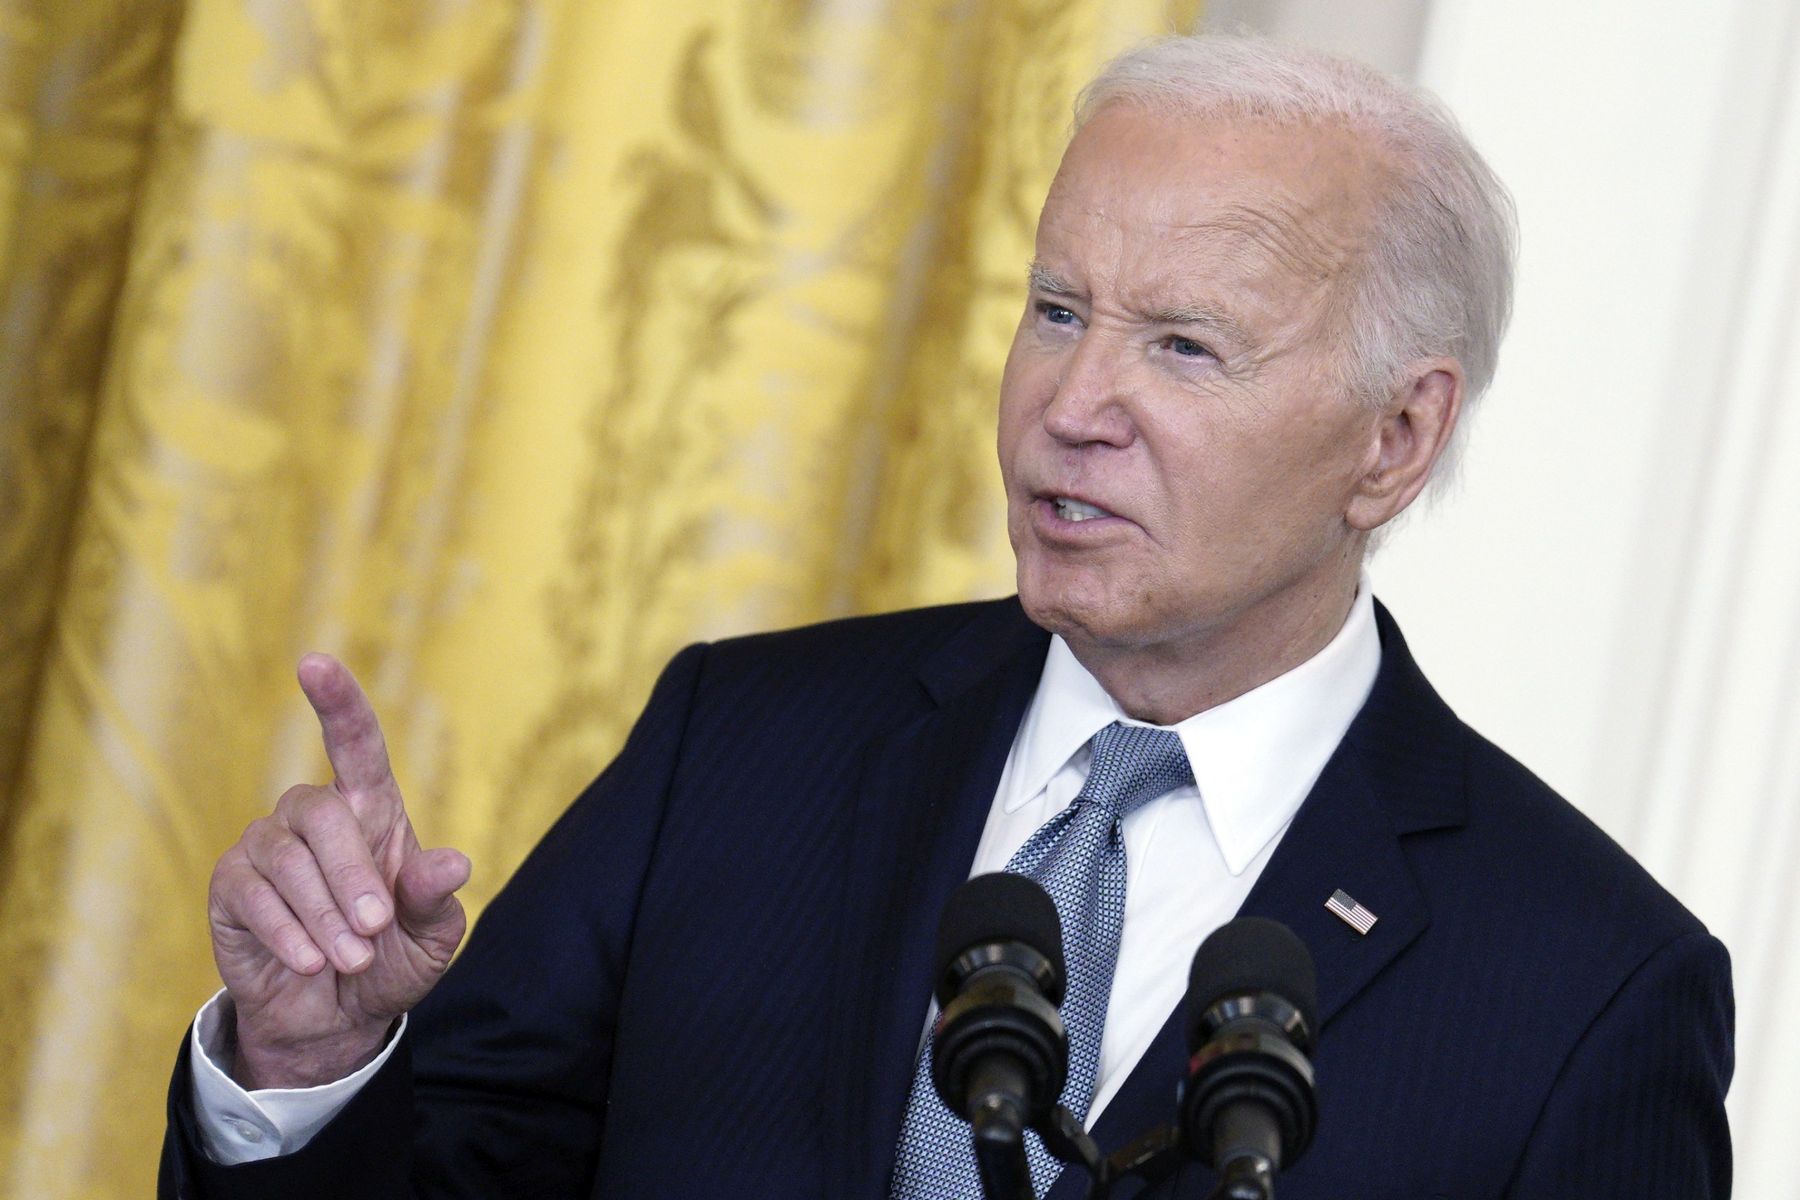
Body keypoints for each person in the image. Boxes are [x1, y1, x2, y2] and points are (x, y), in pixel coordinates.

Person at [159, 34, 1733, 1200]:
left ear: (1395, 440)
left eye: (1184, 348)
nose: (1072, 402)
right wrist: (305, 1066)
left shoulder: (1587, 994)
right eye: (1058, 310)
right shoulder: (741, 748)